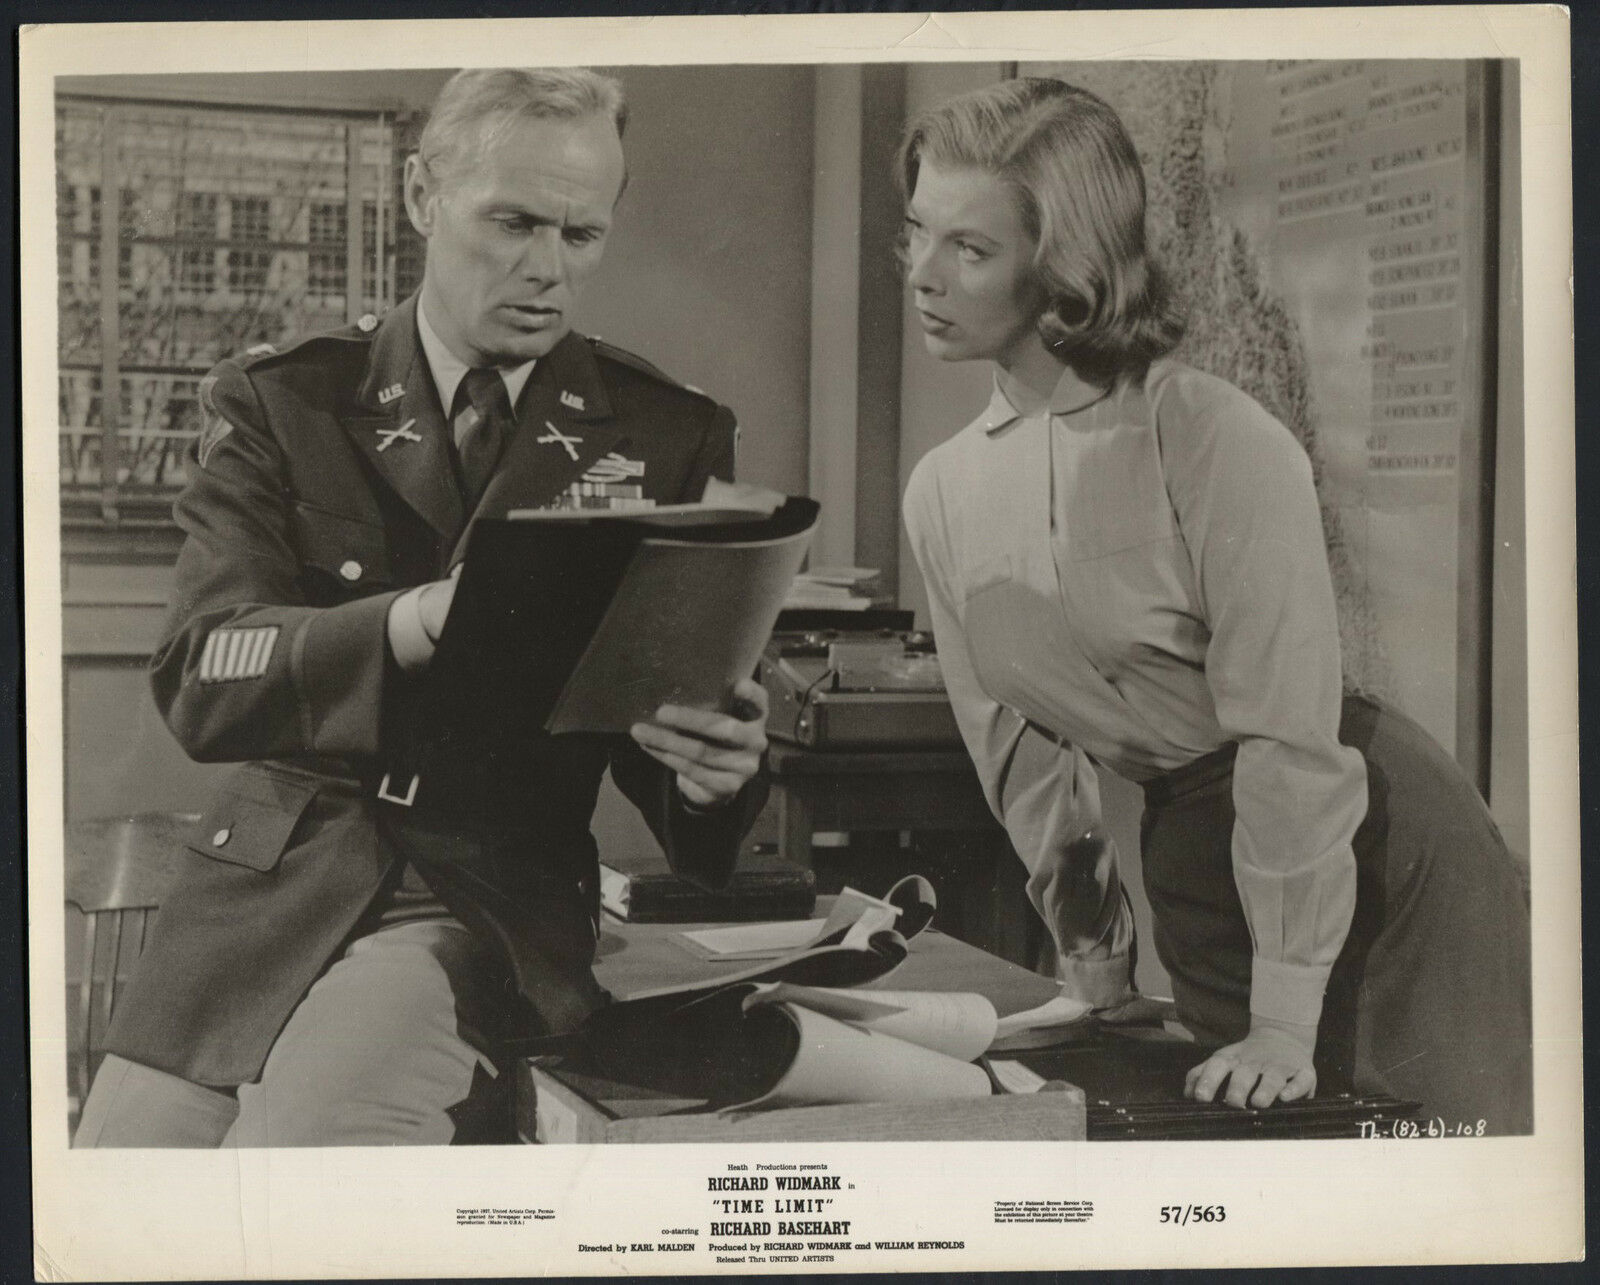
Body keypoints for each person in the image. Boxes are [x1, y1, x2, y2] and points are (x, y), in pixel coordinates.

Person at [74, 67, 770, 1147]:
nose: (547, 269)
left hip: (482, 902)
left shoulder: (663, 434)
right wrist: (410, 623)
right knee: (119, 1184)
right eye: (513, 222)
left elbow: (663, 736)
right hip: (263, 902)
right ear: (419, 196)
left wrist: (710, 770)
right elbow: (203, 673)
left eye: (581, 235)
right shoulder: (286, 400)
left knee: (302, 1157)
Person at [897, 77, 1532, 1132]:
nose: (922, 273)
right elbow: (1022, 766)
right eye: (918, 231)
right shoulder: (942, 492)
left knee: (1418, 1169)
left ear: (1064, 263)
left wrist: (1283, 1020)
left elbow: (1286, 737)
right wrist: (1096, 968)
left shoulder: (1214, 438)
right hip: (1197, 856)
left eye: (969, 248)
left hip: (1364, 840)